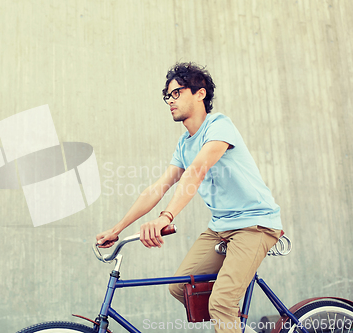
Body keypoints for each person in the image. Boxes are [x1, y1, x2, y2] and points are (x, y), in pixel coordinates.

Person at [96, 62, 283, 333]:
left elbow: (196, 172)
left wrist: (165, 217)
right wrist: (117, 229)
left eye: (177, 93)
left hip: (255, 225)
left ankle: (227, 313)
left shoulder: (219, 126)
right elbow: (158, 188)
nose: (170, 101)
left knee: (220, 304)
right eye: (167, 96)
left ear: (200, 93)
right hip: (221, 227)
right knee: (182, 287)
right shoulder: (184, 144)